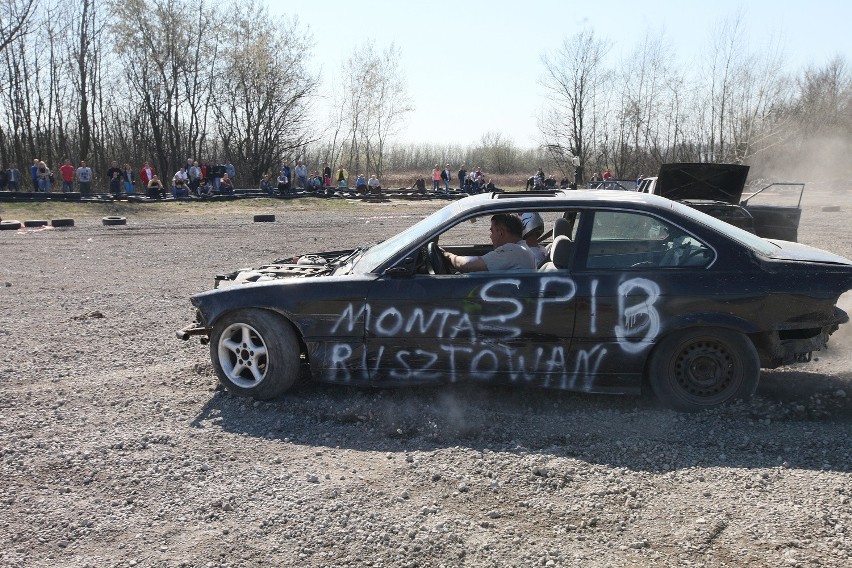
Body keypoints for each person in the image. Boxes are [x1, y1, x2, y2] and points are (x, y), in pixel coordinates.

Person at [441, 213, 535, 273]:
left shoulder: (513, 251)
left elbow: (467, 265)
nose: (490, 236)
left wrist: (448, 256)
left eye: (492, 231)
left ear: (501, 233)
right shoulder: (521, 249)